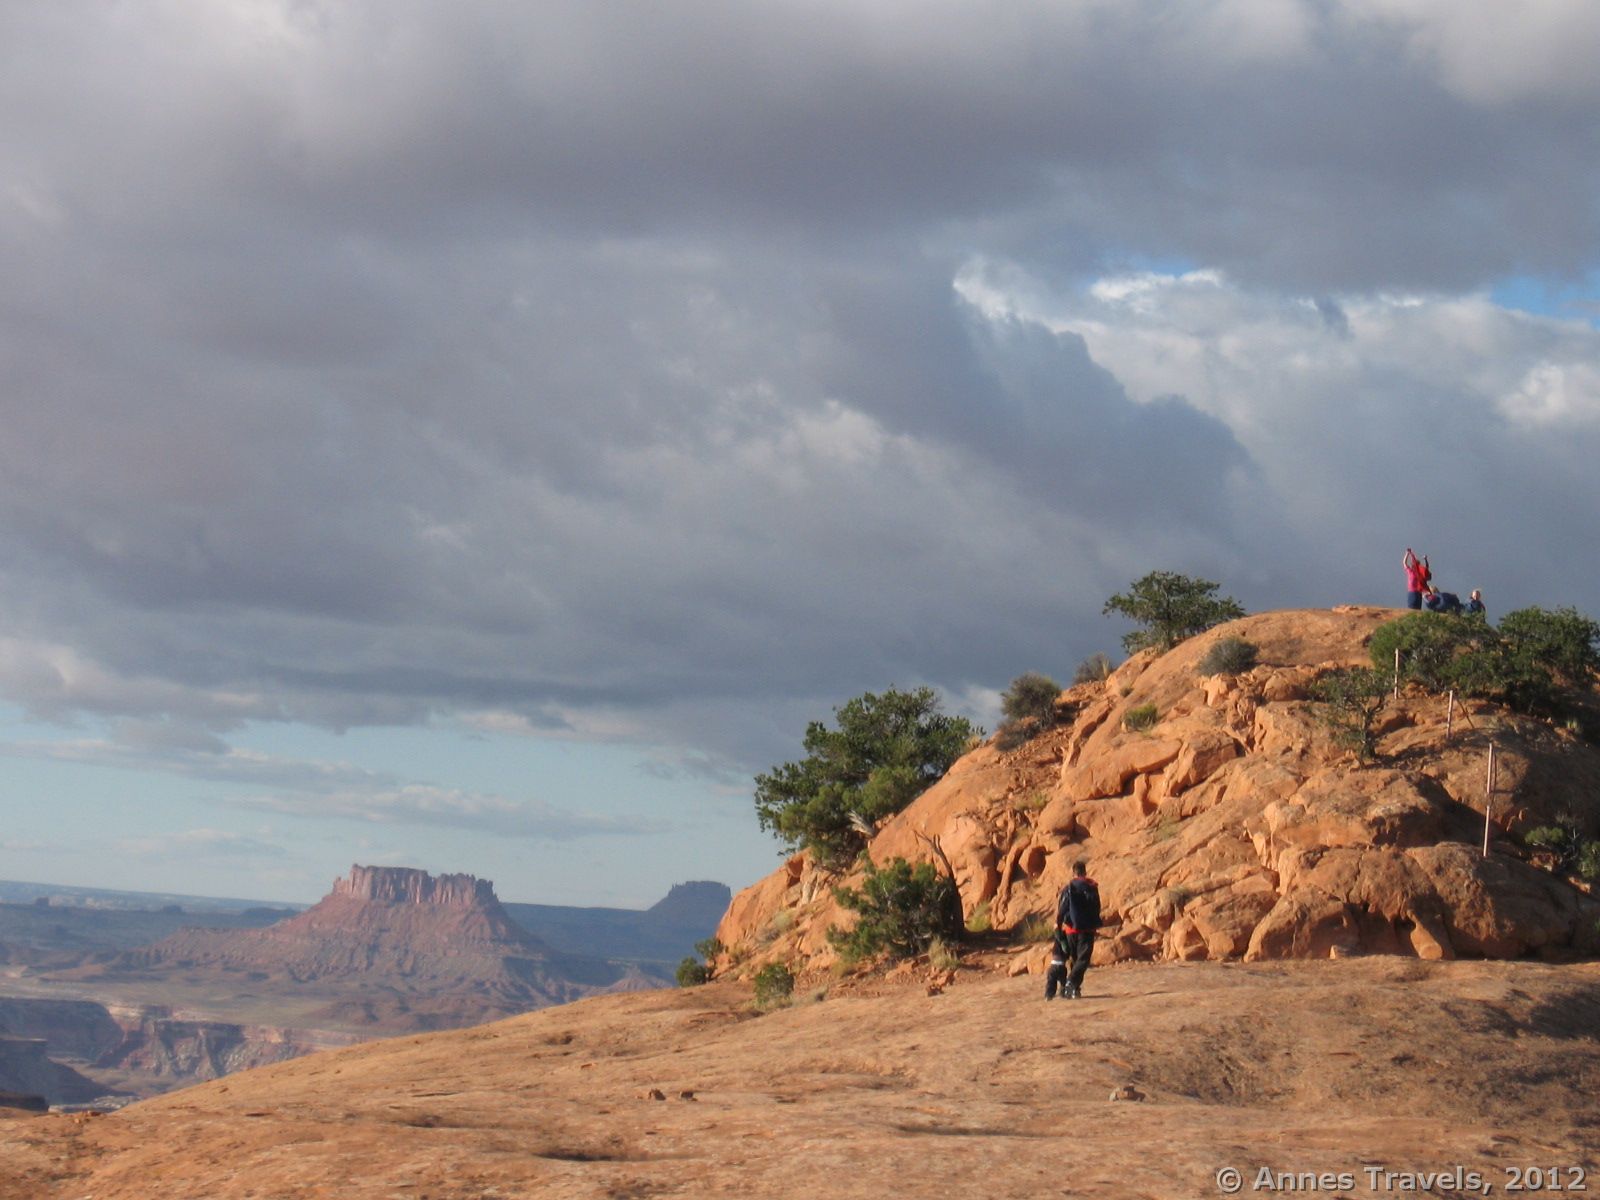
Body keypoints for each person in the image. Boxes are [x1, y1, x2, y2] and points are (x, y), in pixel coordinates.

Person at [1045, 860, 1101, 1000]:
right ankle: (1072, 983)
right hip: (1087, 930)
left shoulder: (1068, 888)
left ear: (1073, 873)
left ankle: (1075, 989)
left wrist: (1058, 924)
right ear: (1085, 872)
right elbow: (1096, 907)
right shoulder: (1091, 887)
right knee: (1083, 960)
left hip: (1071, 929)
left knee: (1075, 960)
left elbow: (1062, 908)